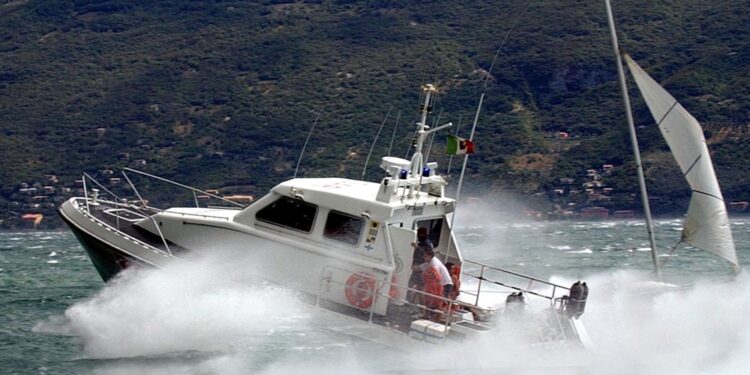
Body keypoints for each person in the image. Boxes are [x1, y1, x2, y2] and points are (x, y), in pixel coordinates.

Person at [407, 227, 433, 303]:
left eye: (420, 234)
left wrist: (416, 248)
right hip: (417, 267)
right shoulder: (422, 243)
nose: (419, 235)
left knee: (418, 286)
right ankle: (411, 300)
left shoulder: (427, 244)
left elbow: (428, 255)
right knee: (414, 285)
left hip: (421, 269)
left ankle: (419, 303)